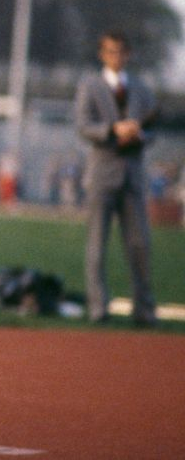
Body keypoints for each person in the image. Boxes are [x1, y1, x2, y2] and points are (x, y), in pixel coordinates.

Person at [74, 30, 158, 326]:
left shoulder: (140, 87)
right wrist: (112, 130)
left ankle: (144, 310)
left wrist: (140, 134)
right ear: (102, 54)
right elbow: (83, 125)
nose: (116, 57)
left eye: (121, 51)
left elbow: (153, 127)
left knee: (140, 245)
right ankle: (99, 308)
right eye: (110, 51)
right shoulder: (90, 85)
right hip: (102, 174)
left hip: (133, 175)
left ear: (129, 53)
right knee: (97, 244)